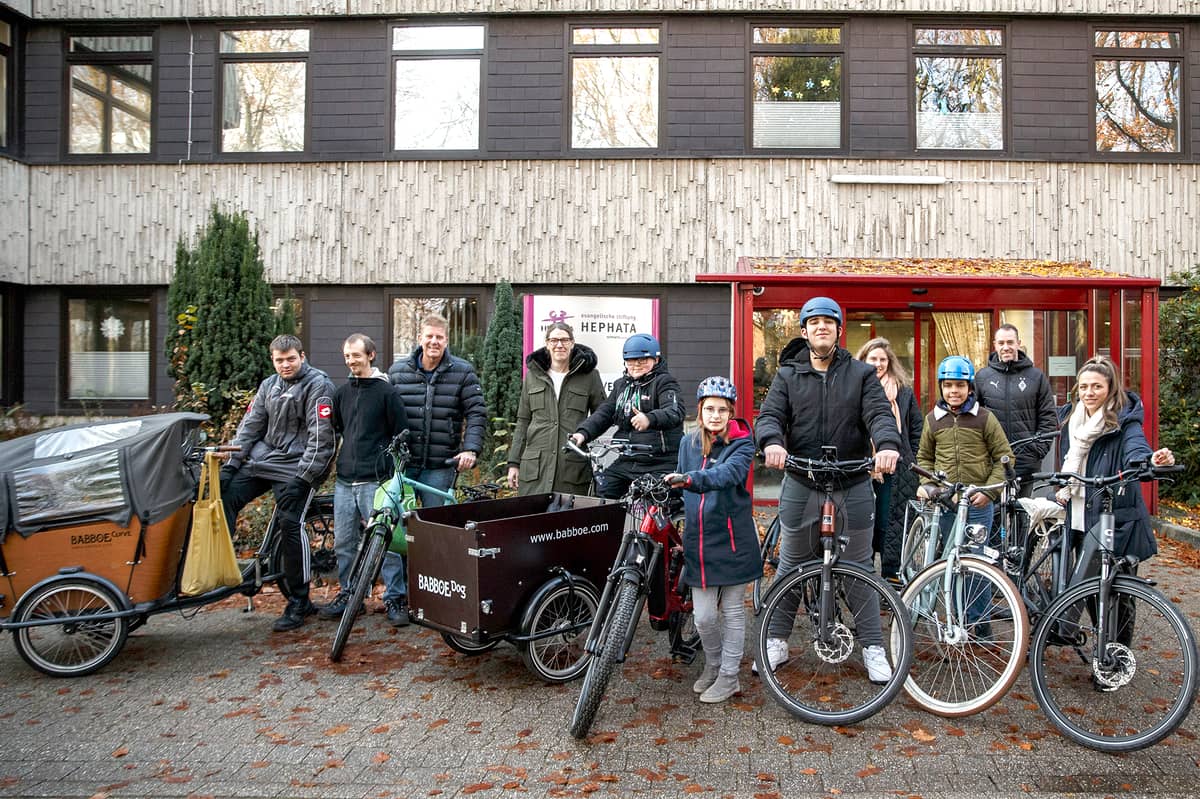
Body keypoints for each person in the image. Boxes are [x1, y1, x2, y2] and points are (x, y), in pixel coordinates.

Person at [754, 297, 902, 681]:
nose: (822, 327)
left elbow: (879, 415)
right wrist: (772, 441)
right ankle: (776, 640)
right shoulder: (787, 376)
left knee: (858, 568)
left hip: (851, 482)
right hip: (803, 481)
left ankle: (872, 646)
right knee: (791, 564)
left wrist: (886, 445)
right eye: (814, 322)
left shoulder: (861, 375)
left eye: (829, 322)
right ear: (804, 332)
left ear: (839, 330)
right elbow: (770, 416)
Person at [222, 334, 336, 632]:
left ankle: (299, 602)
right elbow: (250, 427)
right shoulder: (268, 385)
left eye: (290, 359)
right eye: (279, 360)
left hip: (298, 466)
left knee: (290, 522)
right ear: (272, 360)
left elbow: (321, 439)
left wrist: (305, 477)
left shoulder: (318, 385)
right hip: (266, 460)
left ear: (302, 355)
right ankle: (222, 570)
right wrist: (231, 465)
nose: (285, 365)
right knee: (225, 496)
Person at [387, 313, 488, 623]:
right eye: (429, 336)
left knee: (435, 535)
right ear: (420, 337)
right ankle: (396, 597)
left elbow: (477, 412)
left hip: (440, 465)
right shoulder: (398, 371)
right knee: (392, 530)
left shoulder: (462, 372)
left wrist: (470, 448)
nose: (434, 342)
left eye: (439, 338)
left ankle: (434, 598)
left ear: (447, 341)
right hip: (404, 464)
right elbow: (385, 413)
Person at [665, 377, 760, 704]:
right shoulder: (687, 444)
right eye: (709, 409)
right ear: (700, 411)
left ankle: (730, 676)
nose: (716, 415)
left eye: (722, 409)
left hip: (733, 540)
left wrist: (690, 479)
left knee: (732, 611)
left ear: (731, 412)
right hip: (698, 542)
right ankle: (715, 664)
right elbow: (678, 488)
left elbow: (727, 475)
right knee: (704, 616)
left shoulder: (743, 443)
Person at [318, 334, 410, 624]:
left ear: (371, 355)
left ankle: (395, 599)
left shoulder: (387, 393)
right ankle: (350, 596)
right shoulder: (341, 393)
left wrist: (394, 474)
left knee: (388, 545)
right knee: (344, 543)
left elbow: (401, 433)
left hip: (377, 481)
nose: (351, 361)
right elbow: (340, 428)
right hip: (346, 482)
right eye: (347, 356)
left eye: (356, 355)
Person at [1055, 356, 1175, 563]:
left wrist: (1152, 460)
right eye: (1083, 387)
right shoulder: (1071, 419)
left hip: (1112, 515)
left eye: (1097, 386)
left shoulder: (1125, 421)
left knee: (1114, 585)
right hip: (1076, 511)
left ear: (1110, 388)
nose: (1089, 393)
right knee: (1078, 584)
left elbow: (1136, 447)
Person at [569, 333, 684, 499]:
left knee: (658, 506)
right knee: (604, 491)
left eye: (642, 360)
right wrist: (582, 434)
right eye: (631, 360)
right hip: (628, 460)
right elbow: (604, 413)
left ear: (656, 360)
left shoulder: (665, 382)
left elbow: (674, 412)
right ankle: (609, 526)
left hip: (660, 462)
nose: (636, 365)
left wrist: (649, 419)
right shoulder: (621, 385)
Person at [916, 355, 1014, 542]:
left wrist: (988, 492)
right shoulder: (932, 419)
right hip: (947, 500)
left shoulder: (985, 418)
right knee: (947, 553)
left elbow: (1004, 457)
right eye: (948, 385)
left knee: (976, 555)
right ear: (941, 387)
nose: (954, 390)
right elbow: (925, 457)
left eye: (960, 385)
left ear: (970, 388)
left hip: (978, 502)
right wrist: (931, 486)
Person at [506, 322, 606, 496]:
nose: (559, 345)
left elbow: (602, 415)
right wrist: (514, 463)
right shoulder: (533, 376)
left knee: (568, 521)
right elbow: (523, 421)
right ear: (547, 344)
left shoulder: (589, 376)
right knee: (532, 519)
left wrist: (585, 435)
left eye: (564, 340)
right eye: (554, 340)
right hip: (535, 469)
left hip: (571, 467)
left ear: (572, 343)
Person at [855, 337, 923, 584]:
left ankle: (890, 578)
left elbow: (916, 427)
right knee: (863, 523)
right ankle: (862, 577)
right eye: (873, 359)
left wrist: (910, 457)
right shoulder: (854, 387)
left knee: (889, 524)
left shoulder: (903, 390)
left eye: (883, 359)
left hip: (896, 469)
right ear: (863, 360)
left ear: (890, 362)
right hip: (862, 467)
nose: (878, 364)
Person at [975, 323, 1059, 496]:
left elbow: (1048, 416)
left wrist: (1037, 450)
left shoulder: (1036, 377)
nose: (1006, 347)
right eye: (1001, 343)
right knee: (994, 517)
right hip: (992, 461)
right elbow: (974, 417)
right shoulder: (983, 377)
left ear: (1018, 343)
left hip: (1026, 461)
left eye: (1010, 342)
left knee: (1022, 515)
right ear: (995, 345)